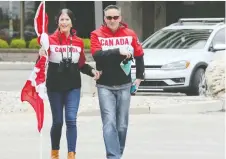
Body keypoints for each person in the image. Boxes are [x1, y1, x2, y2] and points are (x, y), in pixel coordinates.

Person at [38, 8, 100, 159]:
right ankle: (55, 153)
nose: (64, 22)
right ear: (57, 22)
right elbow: (40, 63)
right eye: (62, 19)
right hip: (55, 87)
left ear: (72, 22)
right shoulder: (49, 41)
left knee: (71, 119)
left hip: (73, 86)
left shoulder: (78, 42)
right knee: (58, 122)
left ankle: (71, 154)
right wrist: (41, 53)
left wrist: (93, 72)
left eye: (67, 19)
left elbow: (81, 64)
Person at [90, 4, 145, 159]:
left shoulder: (130, 34)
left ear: (120, 18)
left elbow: (139, 55)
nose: (112, 20)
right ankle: (113, 156)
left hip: (125, 84)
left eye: (115, 17)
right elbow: (97, 55)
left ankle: (117, 154)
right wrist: (117, 51)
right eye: (109, 18)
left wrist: (140, 77)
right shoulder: (96, 34)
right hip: (104, 85)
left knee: (122, 125)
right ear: (105, 19)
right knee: (109, 123)